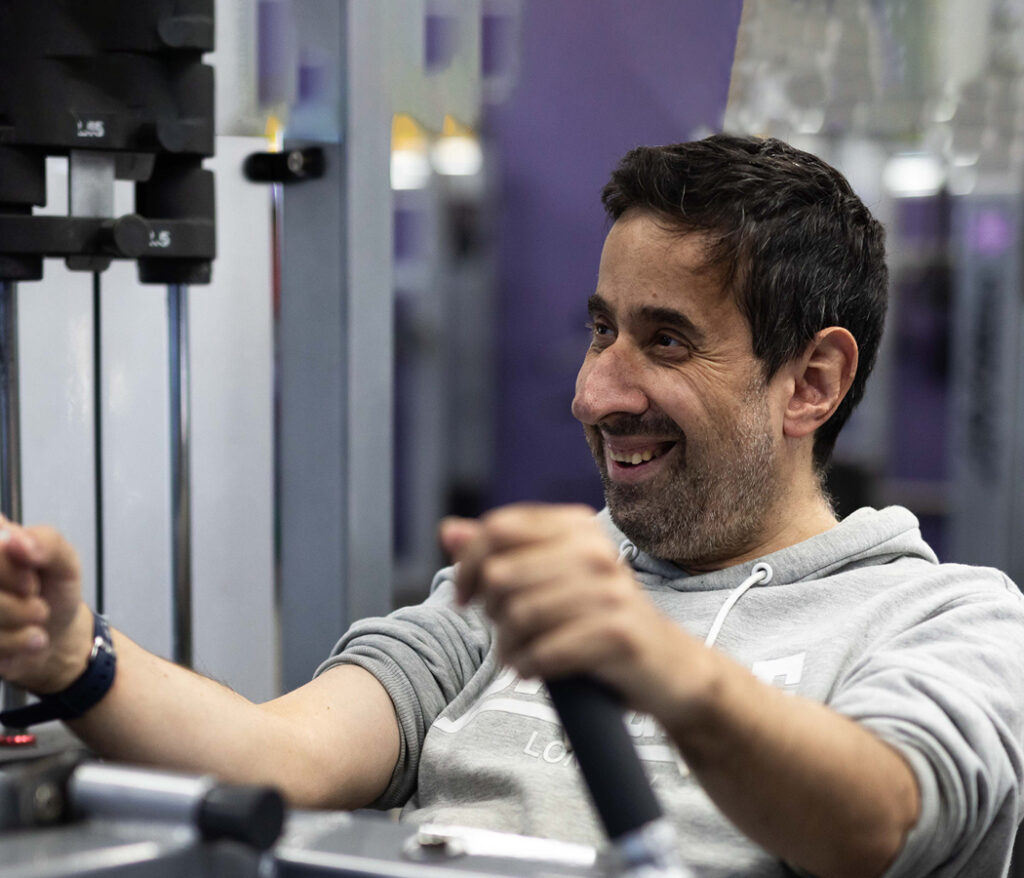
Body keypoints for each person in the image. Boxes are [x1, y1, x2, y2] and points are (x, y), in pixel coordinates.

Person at [0, 135, 1022, 878]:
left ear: (810, 382)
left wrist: (659, 663)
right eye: (601, 330)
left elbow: (877, 823)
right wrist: (73, 652)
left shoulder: (951, 618)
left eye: (665, 340)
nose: (594, 392)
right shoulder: (525, 592)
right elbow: (283, 756)